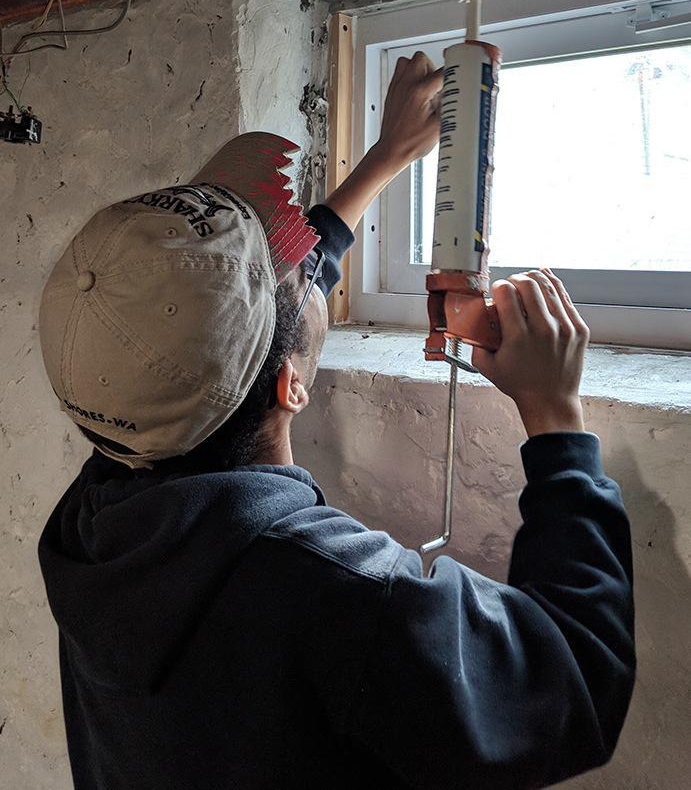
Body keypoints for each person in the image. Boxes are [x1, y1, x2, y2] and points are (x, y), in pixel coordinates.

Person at [38, 52, 635, 790]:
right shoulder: (338, 595)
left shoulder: (94, 520)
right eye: (292, 273)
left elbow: (252, 329)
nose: (305, 266)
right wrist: (555, 418)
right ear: (291, 385)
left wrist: (383, 161)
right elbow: (572, 680)